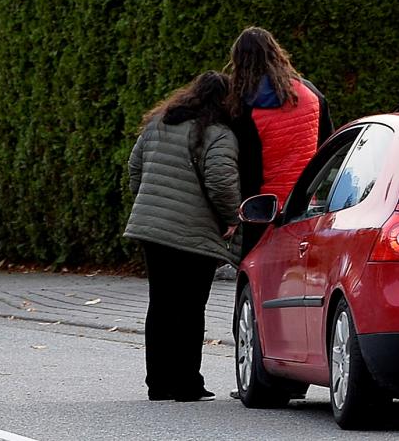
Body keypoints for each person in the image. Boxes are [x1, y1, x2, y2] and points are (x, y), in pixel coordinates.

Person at [123, 70, 243, 401]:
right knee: (190, 308)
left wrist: (148, 204)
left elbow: (135, 167)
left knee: (160, 304)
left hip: (153, 231)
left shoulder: (158, 124)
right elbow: (221, 181)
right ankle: (187, 383)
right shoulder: (218, 134)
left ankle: (158, 383)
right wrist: (232, 218)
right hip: (195, 233)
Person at [229, 26, 330, 207]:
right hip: (305, 201)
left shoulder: (243, 104)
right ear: (276, 54)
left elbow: (244, 165)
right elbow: (327, 145)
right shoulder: (311, 93)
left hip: (262, 207)